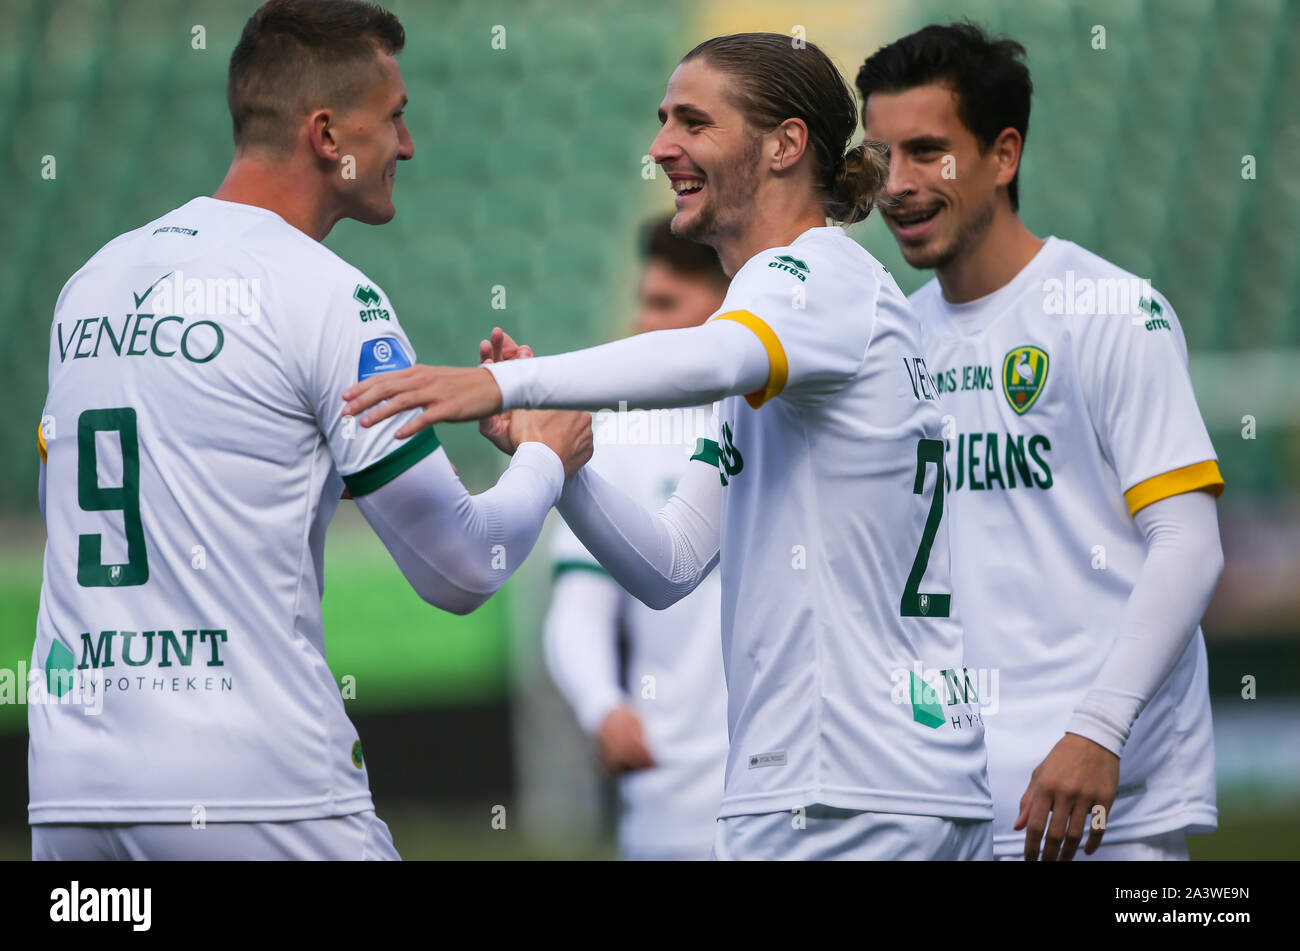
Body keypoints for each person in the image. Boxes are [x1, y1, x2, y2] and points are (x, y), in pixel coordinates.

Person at [345, 33, 993, 860]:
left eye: (693, 121)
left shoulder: (814, 274)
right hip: (881, 783)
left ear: (786, 144)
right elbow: (672, 563)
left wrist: (512, 385)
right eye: (662, 122)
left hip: (844, 793)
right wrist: (566, 464)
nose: (660, 148)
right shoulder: (795, 344)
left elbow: (712, 353)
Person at [30, 0, 590, 861]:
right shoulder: (328, 294)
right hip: (253, 786)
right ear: (329, 136)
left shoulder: (91, 282)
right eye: (395, 117)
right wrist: (547, 456)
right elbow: (462, 565)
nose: (407, 145)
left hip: (69, 792)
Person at [857, 22, 1224, 861]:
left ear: (1005, 153)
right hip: (946, 802)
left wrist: (1098, 729)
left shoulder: (1113, 311)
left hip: (1105, 799)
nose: (898, 186)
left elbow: (1189, 545)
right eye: (881, 159)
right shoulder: (891, 343)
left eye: (927, 152)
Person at [542, 216, 730, 861]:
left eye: (666, 304)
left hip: (798, 799)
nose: (642, 323)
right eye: (642, 302)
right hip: (670, 804)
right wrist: (604, 707)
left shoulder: (789, 415)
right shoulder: (612, 437)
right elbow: (577, 611)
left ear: (729, 310)